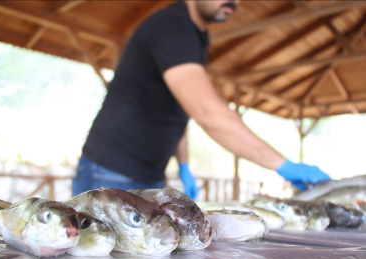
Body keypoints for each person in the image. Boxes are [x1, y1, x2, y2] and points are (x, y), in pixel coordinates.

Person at [72, 0, 330, 199]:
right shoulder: (172, 26)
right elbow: (206, 111)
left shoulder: (195, 38)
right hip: (109, 171)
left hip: (149, 174)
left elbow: (179, 111)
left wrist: (184, 165)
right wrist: (283, 165)